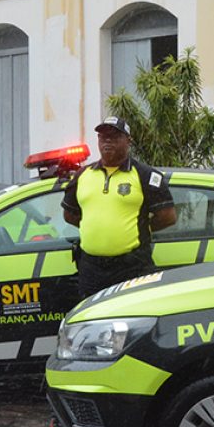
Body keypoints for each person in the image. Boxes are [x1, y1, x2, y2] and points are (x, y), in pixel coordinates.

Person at [62, 116, 176, 297]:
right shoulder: (82, 175)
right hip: (91, 269)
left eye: (115, 136)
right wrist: (99, 228)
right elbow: (70, 214)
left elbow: (167, 216)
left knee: (133, 313)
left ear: (128, 141)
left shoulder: (145, 175)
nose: (107, 141)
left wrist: (137, 229)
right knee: (93, 313)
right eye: (103, 137)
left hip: (131, 266)